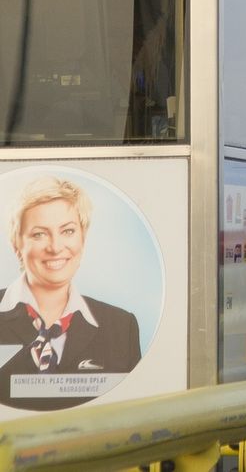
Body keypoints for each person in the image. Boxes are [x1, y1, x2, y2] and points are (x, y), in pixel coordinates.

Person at [0, 176, 141, 411]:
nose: (55, 247)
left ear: (83, 239)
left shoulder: (121, 327)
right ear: (16, 244)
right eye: (39, 234)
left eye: (67, 231)